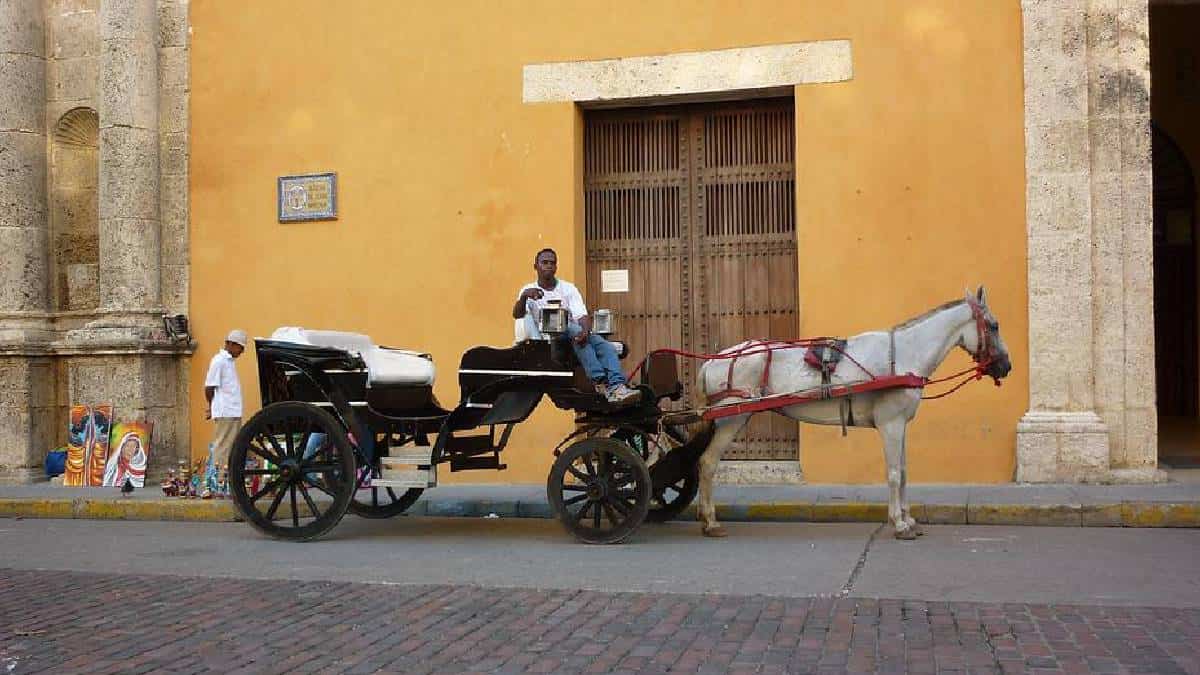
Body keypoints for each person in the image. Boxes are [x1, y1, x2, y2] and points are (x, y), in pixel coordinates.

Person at [513, 248, 640, 405]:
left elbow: (581, 315)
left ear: (556, 267)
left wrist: (585, 332)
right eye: (544, 262)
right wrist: (525, 296)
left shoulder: (568, 288)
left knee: (606, 347)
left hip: (572, 334)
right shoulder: (528, 291)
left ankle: (617, 386)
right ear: (536, 266)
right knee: (570, 328)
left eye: (552, 263)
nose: (548, 266)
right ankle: (599, 380)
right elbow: (518, 315)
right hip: (548, 342)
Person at [205, 329, 246, 468]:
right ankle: (218, 480)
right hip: (225, 411)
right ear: (231, 344)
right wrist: (210, 407)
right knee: (222, 446)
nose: (242, 351)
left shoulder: (229, 362)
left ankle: (225, 479)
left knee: (231, 447)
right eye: (241, 347)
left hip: (233, 411)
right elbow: (209, 387)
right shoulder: (219, 361)